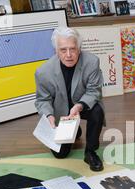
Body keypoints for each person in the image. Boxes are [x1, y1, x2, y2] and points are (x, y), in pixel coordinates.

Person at [35, 27, 105, 171]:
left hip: (82, 105)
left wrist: (79, 106)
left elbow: (94, 91)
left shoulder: (92, 62)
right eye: (63, 50)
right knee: (60, 154)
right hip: (61, 112)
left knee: (97, 110)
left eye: (72, 49)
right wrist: (48, 115)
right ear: (56, 51)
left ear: (79, 48)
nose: (68, 55)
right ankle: (75, 130)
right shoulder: (43, 72)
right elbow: (42, 100)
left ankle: (90, 152)